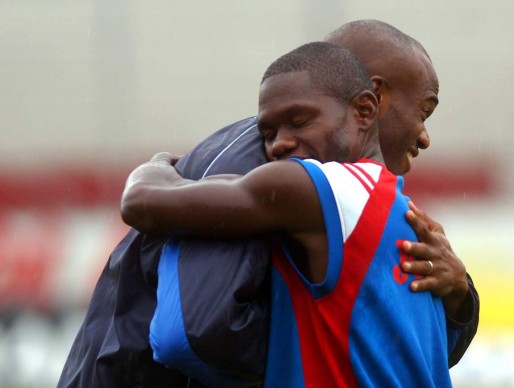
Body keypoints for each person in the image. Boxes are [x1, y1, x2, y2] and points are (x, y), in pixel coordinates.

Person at [59, 19, 478, 387]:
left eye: (296, 122)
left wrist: (462, 297)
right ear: (373, 100)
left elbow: (404, 347)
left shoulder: (365, 199)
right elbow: (191, 335)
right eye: (423, 112)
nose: (424, 136)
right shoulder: (306, 176)